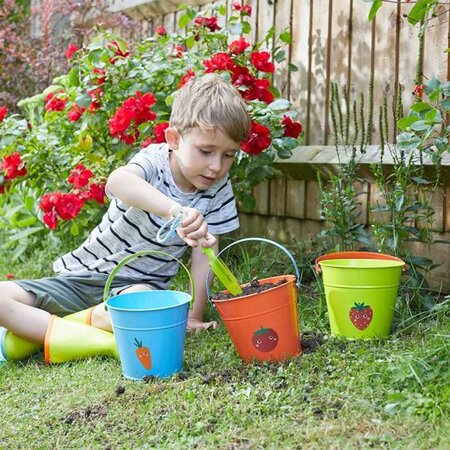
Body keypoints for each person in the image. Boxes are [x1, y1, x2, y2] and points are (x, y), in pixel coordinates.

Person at [0, 73, 251, 364]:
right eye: (206, 151)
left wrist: (193, 316)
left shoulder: (218, 189)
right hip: (83, 276)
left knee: (146, 311)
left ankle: (54, 330)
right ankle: (92, 333)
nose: (216, 166)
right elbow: (118, 181)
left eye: (229, 155)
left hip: (138, 289)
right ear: (174, 139)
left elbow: (205, 255)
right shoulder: (155, 161)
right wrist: (174, 210)